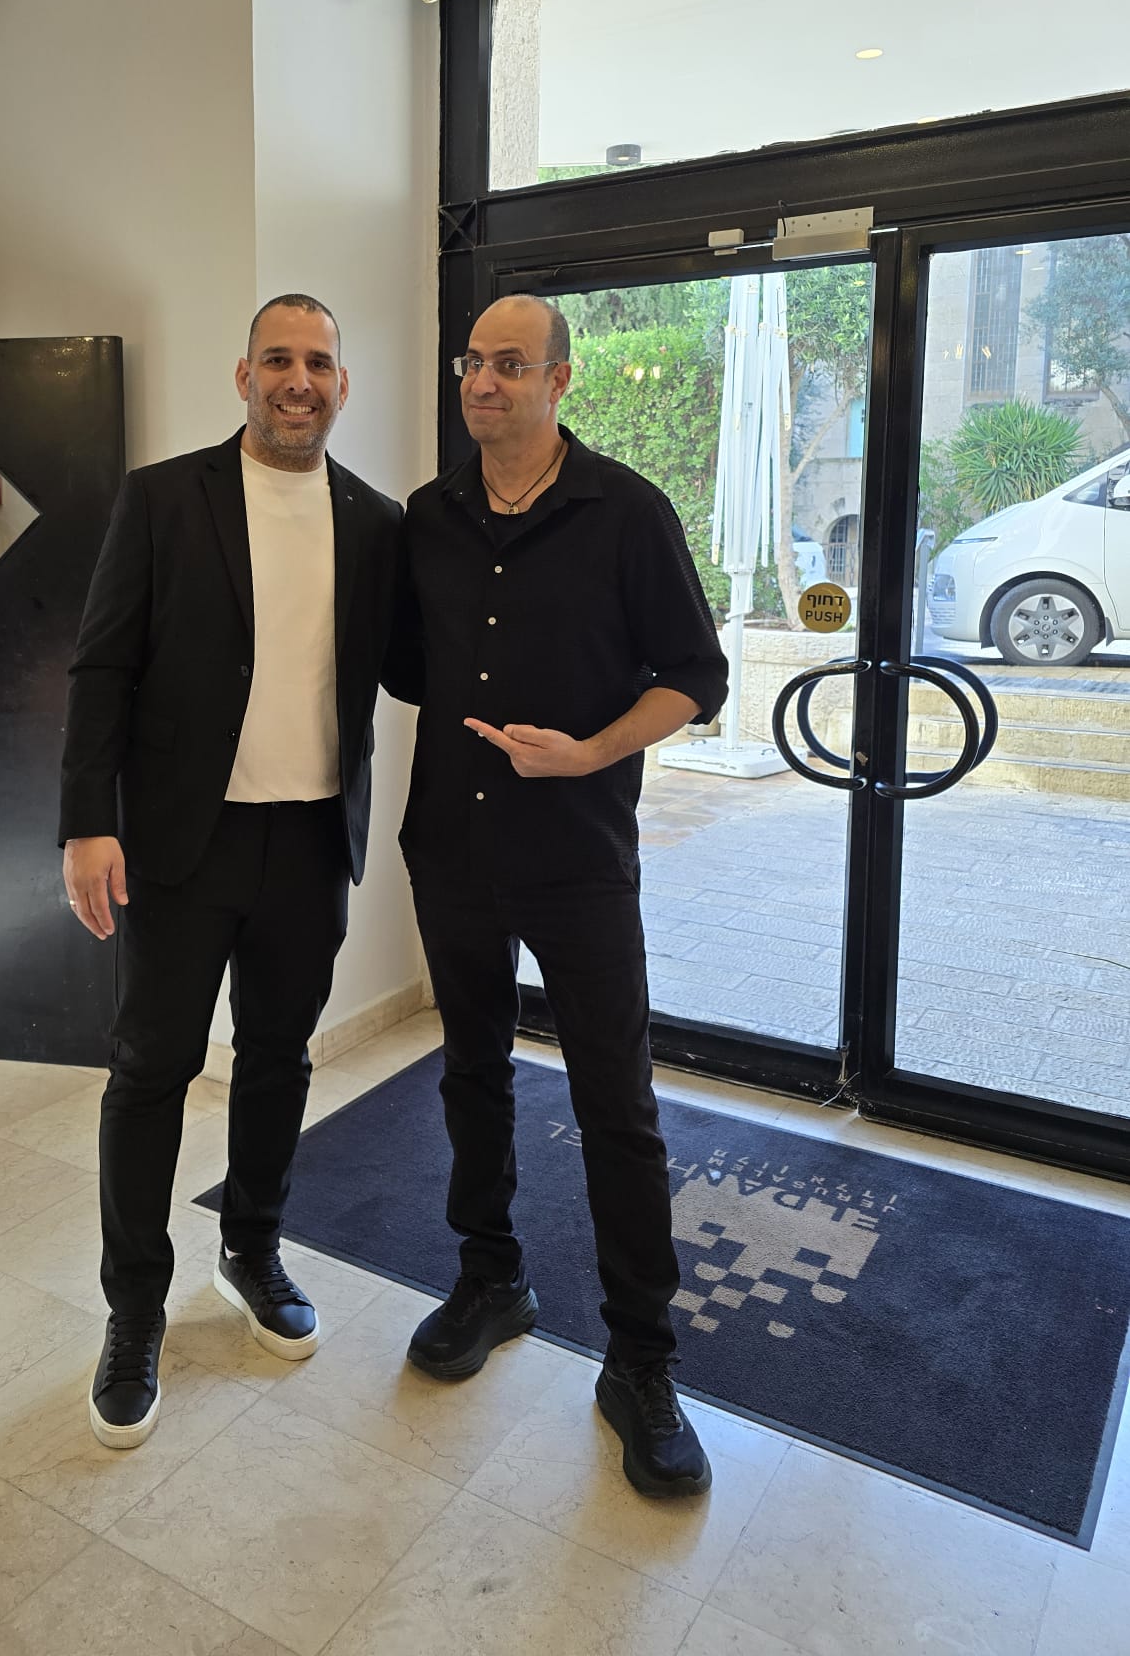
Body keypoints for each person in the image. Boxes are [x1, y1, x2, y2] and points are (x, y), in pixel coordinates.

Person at [392, 293, 728, 1499]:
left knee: (615, 1102)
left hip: (579, 855)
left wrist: (588, 749)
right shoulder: (426, 517)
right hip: (452, 847)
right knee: (471, 1071)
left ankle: (641, 1358)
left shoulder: (626, 511)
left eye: (510, 362)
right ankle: (492, 1277)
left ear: (560, 379)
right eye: (471, 361)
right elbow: (403, 667)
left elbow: (697, 674)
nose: (483, 381)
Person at [60, 293, 402, 1450]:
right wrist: (86, 821)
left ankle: (251, 1248)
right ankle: (134, 1309)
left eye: (319, 361)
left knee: (277, 1058)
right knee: (150, 1069)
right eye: (279, 359)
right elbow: (103, 665)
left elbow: (413, 660)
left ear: (342, 384)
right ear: (244, 375)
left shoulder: (375, 519)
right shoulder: (163, 498)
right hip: (180, 842)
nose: (300, 379)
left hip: (309, 841)